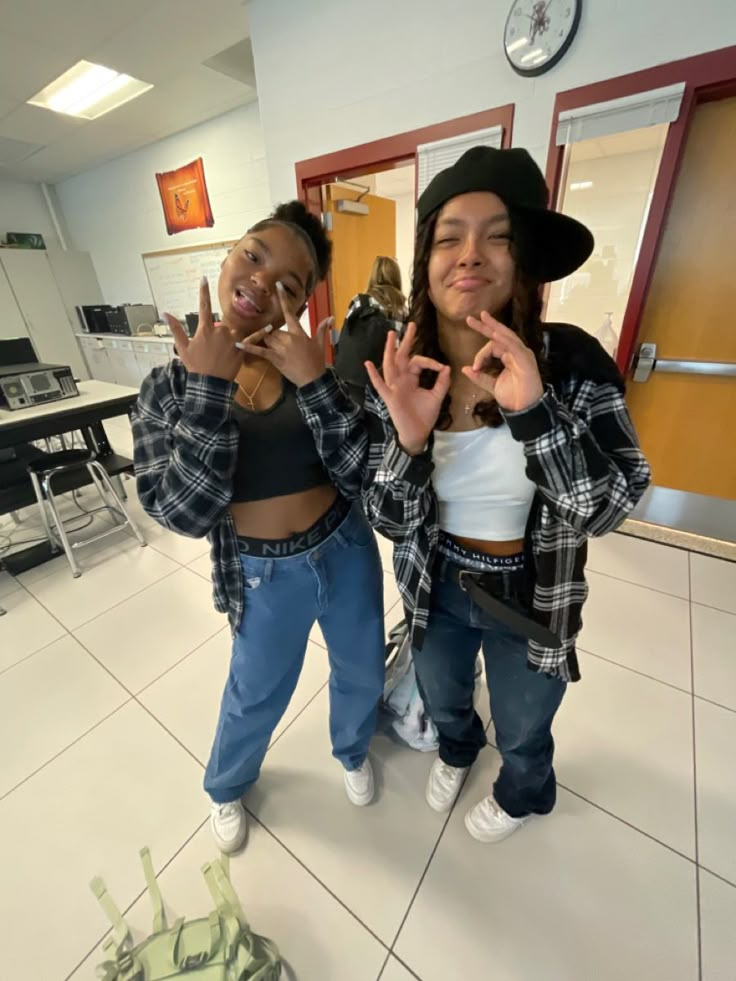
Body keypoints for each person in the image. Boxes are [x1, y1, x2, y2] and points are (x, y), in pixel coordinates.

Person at [244, 147, 651, 845]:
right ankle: (458, 749)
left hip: (534, 597)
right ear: (426, 268)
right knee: (445, 694)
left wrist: (536, 416)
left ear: (521, 261)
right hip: (438, 584)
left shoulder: (573, 363)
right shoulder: (405, 369)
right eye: (448, 237)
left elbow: (611, 506)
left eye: (496, 236)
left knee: (524, 722)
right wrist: (405, 441)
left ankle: (523, 790)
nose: (470, 255)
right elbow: (389, 519)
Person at [131, 201, 386, 855]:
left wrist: (319, 383)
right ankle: (227, 784)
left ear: (298, 305)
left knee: (361, 668)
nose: (262, 282)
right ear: (225, 257)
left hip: (346, 546)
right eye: (252, 255)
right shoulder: (167, 386)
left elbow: (362, 473)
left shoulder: (310, 365)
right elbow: (181, 513)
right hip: (263, 572)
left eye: (290, 284)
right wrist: (210, 392)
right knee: (256, 691)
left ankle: (352, 748)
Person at [333, 255, 407, 405]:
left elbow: (346, 335)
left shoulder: (360, 301)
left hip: (352, 378)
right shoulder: (403, 310)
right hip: (384, 384)